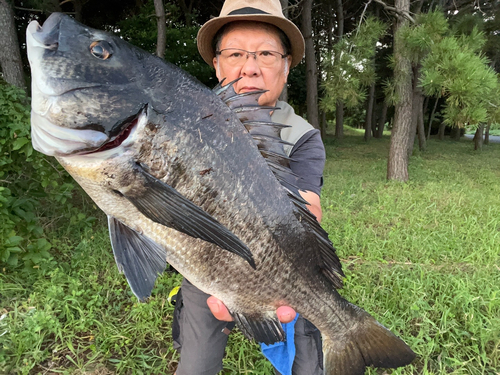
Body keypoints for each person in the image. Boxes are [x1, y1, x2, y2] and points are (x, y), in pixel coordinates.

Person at [172, 1, 326, 374]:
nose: (250, 66)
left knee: (308, 365)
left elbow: (308, 209)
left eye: (266, 53)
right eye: (236, 53)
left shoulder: (303, 137)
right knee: (196, 365)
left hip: (283, 266)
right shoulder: (181, 123)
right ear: (217, 64)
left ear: (286, 66)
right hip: (204, 265)